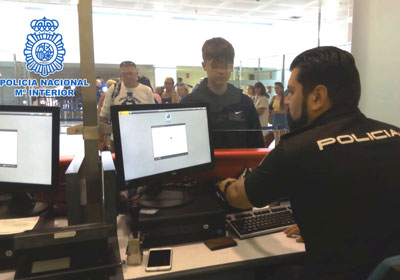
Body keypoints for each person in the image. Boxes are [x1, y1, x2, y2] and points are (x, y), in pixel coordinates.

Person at [217, 46, 400, 280]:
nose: (286, 101)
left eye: (292, 91)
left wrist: (224, 184)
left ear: (317, 97)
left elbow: (240, 198)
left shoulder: (297, 149)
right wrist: (323, 228)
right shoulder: (394, 134)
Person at [182, 37, 264, 148]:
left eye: (225, 65)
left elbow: (257, 144)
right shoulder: (189, 103)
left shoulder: (244, 103)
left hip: (239, 164)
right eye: (215, 65)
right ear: (204, 65)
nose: (221, 71)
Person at [98, 61, 154, 150]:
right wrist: (101, 140)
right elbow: (103, 115)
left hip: (141, 139)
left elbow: (152, 115)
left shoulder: (146, 90)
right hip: (118, 139)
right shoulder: (114, 89)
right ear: (121, 74)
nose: (128, 76)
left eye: (131, 73)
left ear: (137, 74)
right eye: (125, 74)